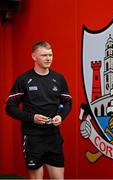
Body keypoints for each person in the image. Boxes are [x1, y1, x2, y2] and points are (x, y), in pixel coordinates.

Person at [5, 41, 72, 179]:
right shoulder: (24, 79)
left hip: (54, 137)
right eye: (44, 55)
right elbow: (10, 107)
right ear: (34, 57)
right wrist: (32, 117)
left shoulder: (59, 78)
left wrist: (61, 117)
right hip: (32, 137)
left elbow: (67, 102)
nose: (48, 58)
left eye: (50, 55)